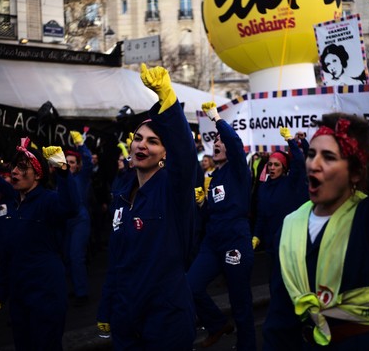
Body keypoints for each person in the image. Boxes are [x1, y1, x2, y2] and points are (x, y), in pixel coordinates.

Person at [262, 19, 369, 350]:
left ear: (355, 173)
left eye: (329, 157)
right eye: (311, 154)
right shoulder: (291, 225)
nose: (313, 163)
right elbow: (281, 316)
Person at [96, 64, 197, 349]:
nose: (142, 145)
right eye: (138, 138)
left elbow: (186, 154)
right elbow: (116, 262)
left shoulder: (173, 188)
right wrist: (107, 308)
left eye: (153, 142)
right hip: (127, 319)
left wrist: (168, 99)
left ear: (166, 153)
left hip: (166, 320)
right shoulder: (122, 193)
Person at [0, 138, 79, 351]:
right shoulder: (13, 205)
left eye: (22, 168)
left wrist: (63, 170)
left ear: (38, 174)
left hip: (46, 294)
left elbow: (71, 206)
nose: (14, 172)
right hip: (20, 296)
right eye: (13, 167)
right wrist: (1, 291)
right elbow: (9, 254)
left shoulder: (48, 200)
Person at [187, 101, 256, 350]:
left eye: (221, 141)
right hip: (213, 242)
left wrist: (217, 120)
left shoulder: (239, 169)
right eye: (214, 141)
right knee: (190, 286)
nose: (216, 143)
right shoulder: (214, 176)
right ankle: (217, 325)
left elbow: (235, 145)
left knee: (240, 300)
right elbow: (212, 212)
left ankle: (246, 346)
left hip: (235, 240)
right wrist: (202, 204)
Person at [253, 127, 308, 260]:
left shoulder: (291, 183)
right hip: (271, 242)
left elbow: (299, 161)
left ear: (284, 168)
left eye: (276, 165)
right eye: (270, 164)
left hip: (290, 242)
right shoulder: (264, 187)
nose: (272, 168)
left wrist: (290, 140)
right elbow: (261, 215)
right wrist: (256, 235)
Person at [63, 131, 93, 307]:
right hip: (66, 221)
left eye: (72, 162)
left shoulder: (81, 177)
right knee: (67, 256)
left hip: (80, 220)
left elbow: (88, 161)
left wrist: (81, 145)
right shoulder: (61, 178)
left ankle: (82, 292)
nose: (69, 164)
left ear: (77, 165)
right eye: (67, 162)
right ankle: (75, 287)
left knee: (76, 256)